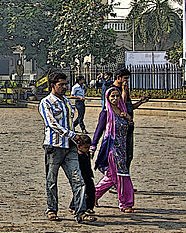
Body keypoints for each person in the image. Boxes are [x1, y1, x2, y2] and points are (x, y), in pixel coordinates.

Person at [38, 71, 95, 223]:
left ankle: (80, 211)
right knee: (52, 180)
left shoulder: (67, 102)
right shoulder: (46, 102)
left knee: (78, 179)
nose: (64, 87)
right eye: (61, 84)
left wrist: (74, 137)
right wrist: (72, 135)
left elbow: (70, 123)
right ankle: (52, 209)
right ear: (52, 85)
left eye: (65, 84)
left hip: (70, 147)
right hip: (54, 146)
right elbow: (52, 123)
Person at [92, 86, 136, 213]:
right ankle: (125, 203)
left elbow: (129, 130)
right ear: (108, 98)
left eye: (117, 96)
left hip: (122, 148)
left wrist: (128, 119)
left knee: (112, 177)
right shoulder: (106, 113)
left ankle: (92, 196)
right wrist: (93, 146)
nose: (115, 98)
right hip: (112, 149)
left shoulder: (122, 112)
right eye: (113, 96)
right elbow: (99, 130)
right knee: (122, 175)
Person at [72, 134, 96, 216]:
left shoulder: (86, 154)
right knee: (81, 192)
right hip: (82, 176)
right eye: (86, 147)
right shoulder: (77, 156)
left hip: (88, 176)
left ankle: (89, 207)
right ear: (79, 146)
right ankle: (73, 207)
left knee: (91, 191)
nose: (87, 149)